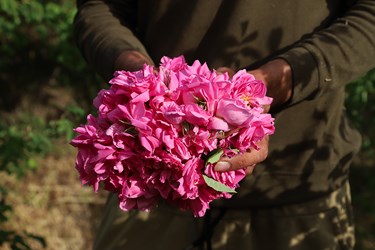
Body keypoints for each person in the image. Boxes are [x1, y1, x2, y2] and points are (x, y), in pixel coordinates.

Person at [73, 1, 375, 249]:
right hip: (152, 194)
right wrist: (141, 79)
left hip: (299, 199)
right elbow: (100, 8)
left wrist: (275, 83)